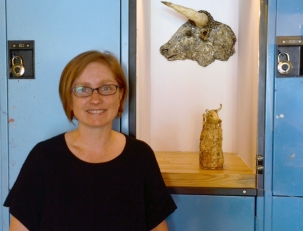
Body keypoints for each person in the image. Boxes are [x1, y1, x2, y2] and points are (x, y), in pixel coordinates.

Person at [4, 50, 177, 231]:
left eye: (106, 88)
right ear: (69, 99)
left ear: (120, 96)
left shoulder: (140, 157)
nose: (95, 99)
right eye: (82, 90)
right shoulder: (43, 158)